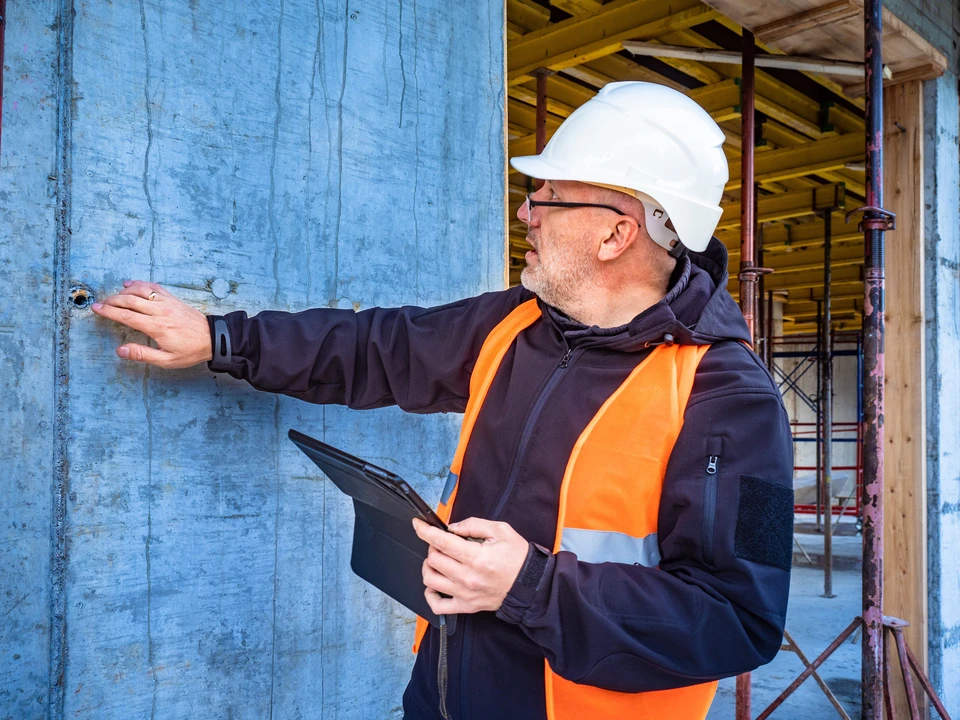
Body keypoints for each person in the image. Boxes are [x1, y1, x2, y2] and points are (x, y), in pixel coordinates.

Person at [92, 82, 794, 720]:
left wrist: (532, 585)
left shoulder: (729, 399)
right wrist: (219, 338)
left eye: (548, 196)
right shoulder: (515, 324)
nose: (525, 212)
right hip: (443, 696)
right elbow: (375, 347)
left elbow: (738, 620)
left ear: (617, 233)